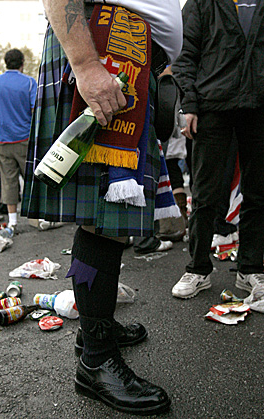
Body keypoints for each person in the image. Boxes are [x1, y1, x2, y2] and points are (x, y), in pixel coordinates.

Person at [22, 0, 182, 414]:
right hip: (102, 47)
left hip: (128, 52)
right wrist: (87, 65)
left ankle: (98, 324)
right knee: (104, 218)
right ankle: (95, 359)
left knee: (114, 215)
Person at [171, 0, 264, 299]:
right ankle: (198, 269)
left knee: (259, 193)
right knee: (206, 194)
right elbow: (185, 54)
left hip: (258, 106)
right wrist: (190, 104)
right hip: (212, 106)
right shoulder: (201, 2)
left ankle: (251, 269)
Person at [0, 49, 37, 229]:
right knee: (31, 179)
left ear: (5, 62)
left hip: (2, 140)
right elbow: (35, 111)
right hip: (24, 139)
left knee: (8, 180)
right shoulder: (30, 83)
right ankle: (37, 217)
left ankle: (13, 220)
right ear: (22, 63)